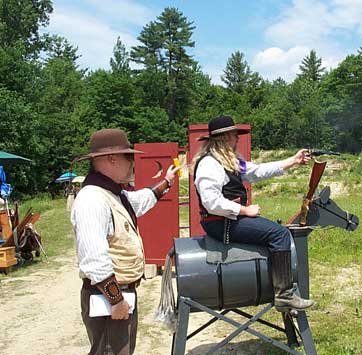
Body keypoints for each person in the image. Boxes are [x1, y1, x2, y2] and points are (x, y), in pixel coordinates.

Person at [71, 128, 179, 355]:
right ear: (111, 159)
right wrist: (116, 300)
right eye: (128, 157)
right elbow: (93, 259)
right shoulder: (92, 199)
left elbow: (139, 201)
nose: (132, 163)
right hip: (109, 297)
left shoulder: (112, 194)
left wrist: (167, 182)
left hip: (118, 296)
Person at [192, 115, 315, 312]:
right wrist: (244, 210)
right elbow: (211, 202)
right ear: (224, 138)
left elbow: (258, 171)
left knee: (276, 231)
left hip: (228, 219)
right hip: (221, 223)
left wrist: (293, 160)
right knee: (280, 233)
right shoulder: (210, 164)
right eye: (234, 135)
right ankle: (284, 295)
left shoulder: (229, 161)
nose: (237, 139)